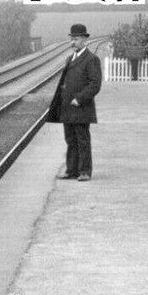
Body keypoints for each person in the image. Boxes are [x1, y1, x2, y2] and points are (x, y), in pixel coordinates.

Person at [45, 23, 102, 181]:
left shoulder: (91, 59)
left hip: (81, 107)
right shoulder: (70, 58)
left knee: (82, 140)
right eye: (72, 39)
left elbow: (95, 84)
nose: (73, 42)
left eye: (76, 39)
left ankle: (84, 171)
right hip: (67, 107)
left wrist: (80, 98)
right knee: (70, 139)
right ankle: (71, 170)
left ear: (84, 40)